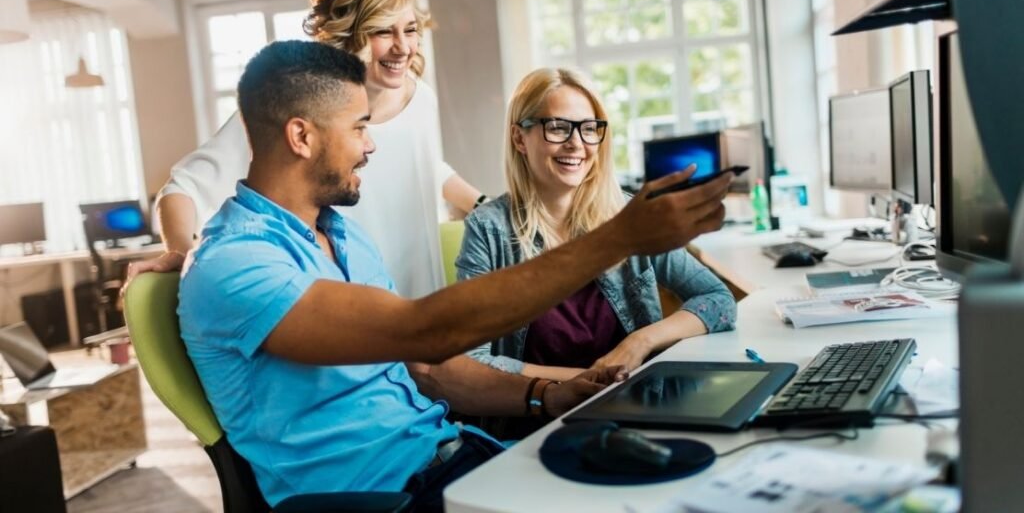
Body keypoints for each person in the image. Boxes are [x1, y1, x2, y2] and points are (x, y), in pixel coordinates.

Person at [178, 41, 733, 512]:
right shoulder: (236, 263)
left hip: (455, 451)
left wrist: (547, 395)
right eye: (360, 127)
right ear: (301, 136)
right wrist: (619, 237)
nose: (371, 145)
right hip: (387, 497)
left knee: (682, 486)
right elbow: (423, 332)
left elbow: (427, 367)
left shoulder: (340, 235)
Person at [134, 0, 482, 298]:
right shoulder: (294, 107)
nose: (403, 47)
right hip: (346, 309)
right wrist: (183, 255)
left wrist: (487, 206)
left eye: (410, 30)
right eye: (381, 31)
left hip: (423, 292)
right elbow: (183, 187)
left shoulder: (421, 97)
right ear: (349, 34)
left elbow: (427, 168)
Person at [455, 68, 736, 436]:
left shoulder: (629, 216)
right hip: (534, 425)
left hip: (635, 412)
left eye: (589, 128)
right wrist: (584, 380)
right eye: (558, 127)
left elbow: (718, 299)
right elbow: (472, 360)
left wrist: (641, 342)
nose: (577, 143)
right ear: (520, 138)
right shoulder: (488, 229)